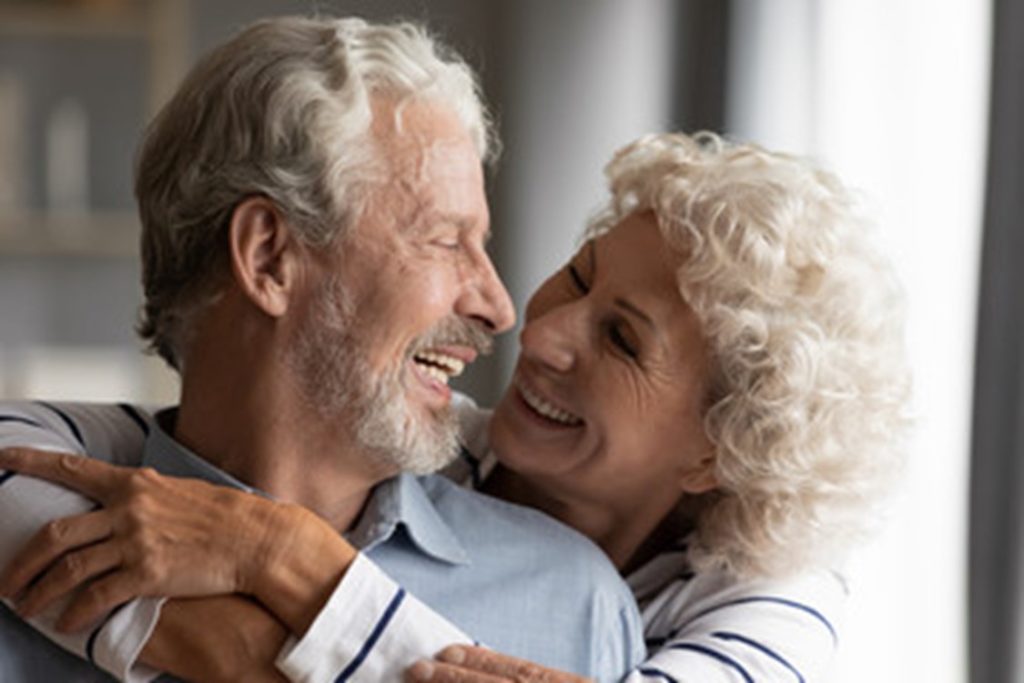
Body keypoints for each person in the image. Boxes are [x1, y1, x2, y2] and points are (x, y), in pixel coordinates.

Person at [0, 131, 910, 682]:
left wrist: (278, 550)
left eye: (624, 341)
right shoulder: (422, 442)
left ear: (722, 449)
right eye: (580, 278)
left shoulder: (776, 604)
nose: (538, 329)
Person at [0, 15, 647, 683]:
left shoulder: (578, 607)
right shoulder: (19, 557)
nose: (498, 306)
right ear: (270, 256)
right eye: (446, 240)